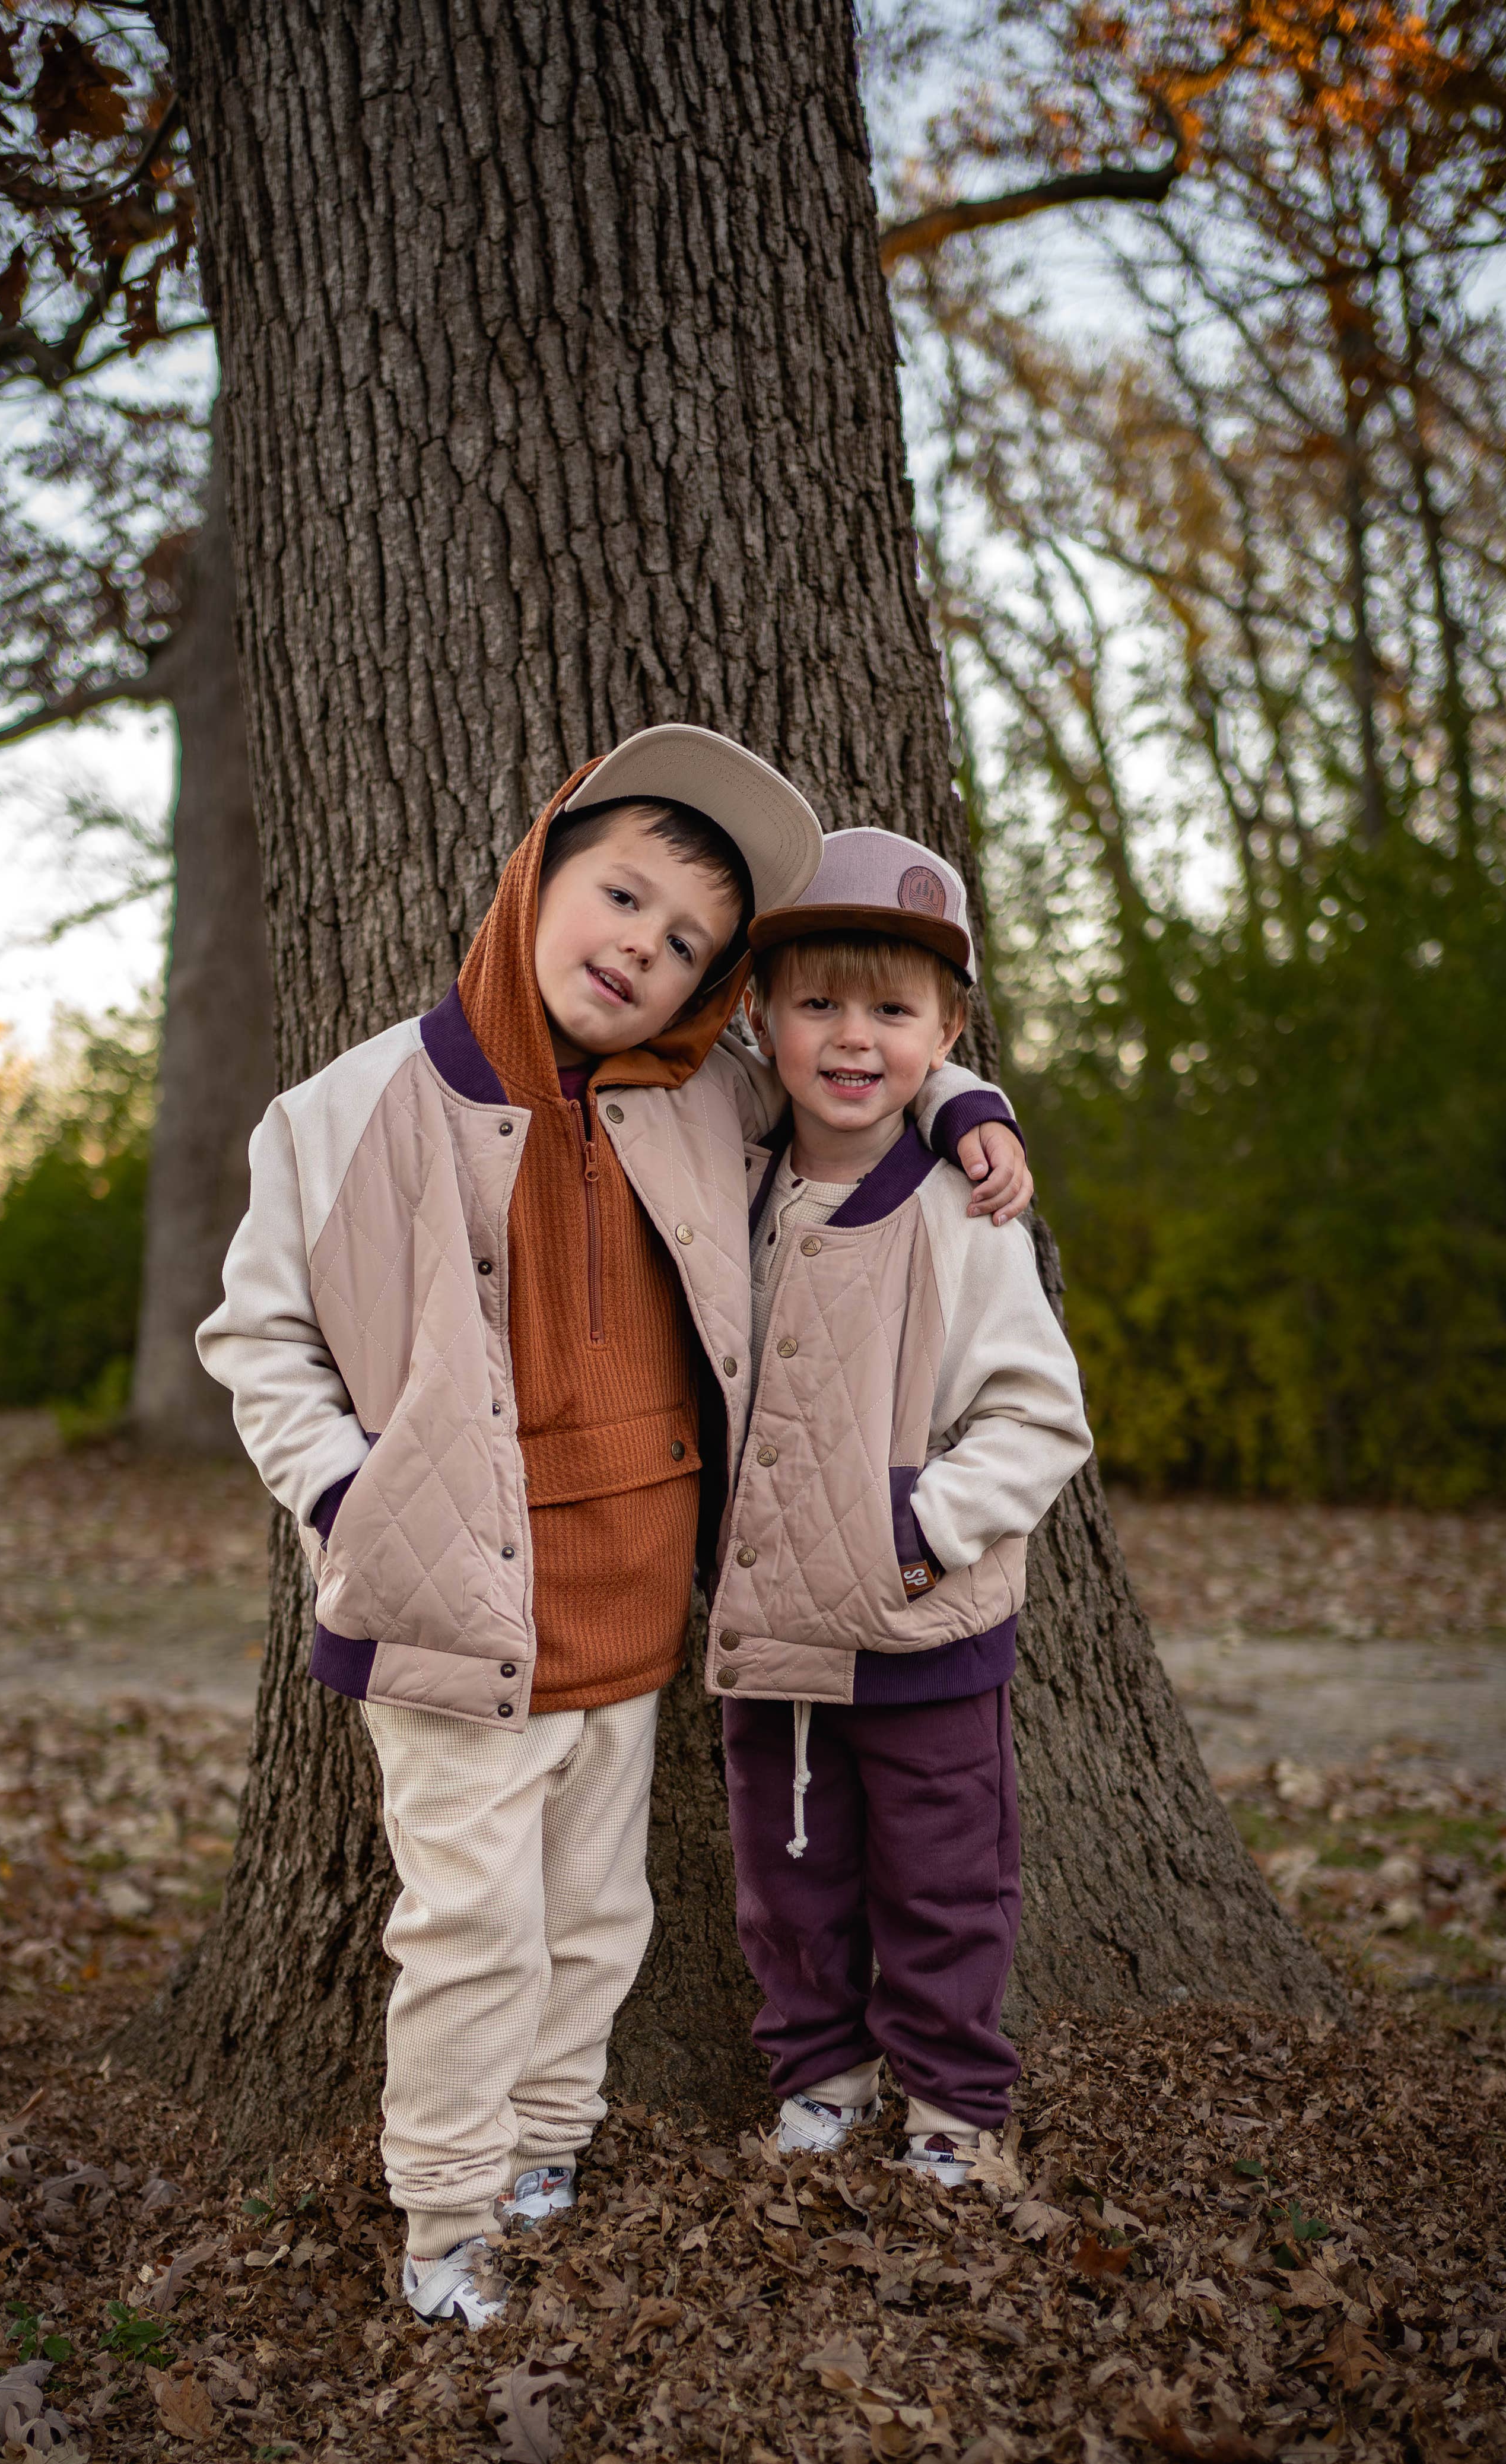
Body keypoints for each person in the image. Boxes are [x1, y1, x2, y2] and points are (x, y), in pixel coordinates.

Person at [198, 731, 1030, 2325]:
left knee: (595, 1911)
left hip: (635, 1600)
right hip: (449, 1614)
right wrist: (348, 1494)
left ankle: (541, 2147)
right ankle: (441, 2218)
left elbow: (856, 1077)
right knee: (467, 1927)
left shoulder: (698, 1106)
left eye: (681, 946)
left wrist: (972, 1100)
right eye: (619, 897)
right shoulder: (347, 1108)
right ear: (536, 875)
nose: (636, 949)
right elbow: (258, 1339)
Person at [711, 827, 1093, 2193]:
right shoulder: (734, 1179)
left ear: (949, 1029)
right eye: (819, 1002)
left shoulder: (961, 1212)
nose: (853, 1038)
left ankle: (953, 2102)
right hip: (772, 1629)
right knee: (789, 1879)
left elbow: (1040, 1418)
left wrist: (916, 1529)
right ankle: (822, 2076)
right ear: (761, 1017)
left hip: (924, 1622)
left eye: (894, 1010)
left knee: (943, 1881)